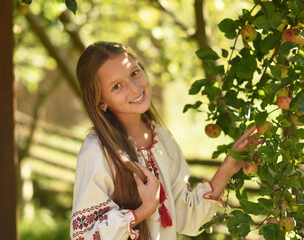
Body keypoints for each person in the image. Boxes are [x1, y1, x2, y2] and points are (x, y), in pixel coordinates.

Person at [70, 41, 263, 240]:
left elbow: (188, 220)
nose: (135, 88)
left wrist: (228, 168)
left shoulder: (160, 138)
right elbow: (84, 236)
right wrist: (144, 210)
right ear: (101, 101)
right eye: (117, 86)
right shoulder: (97, 151)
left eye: (134, 73)